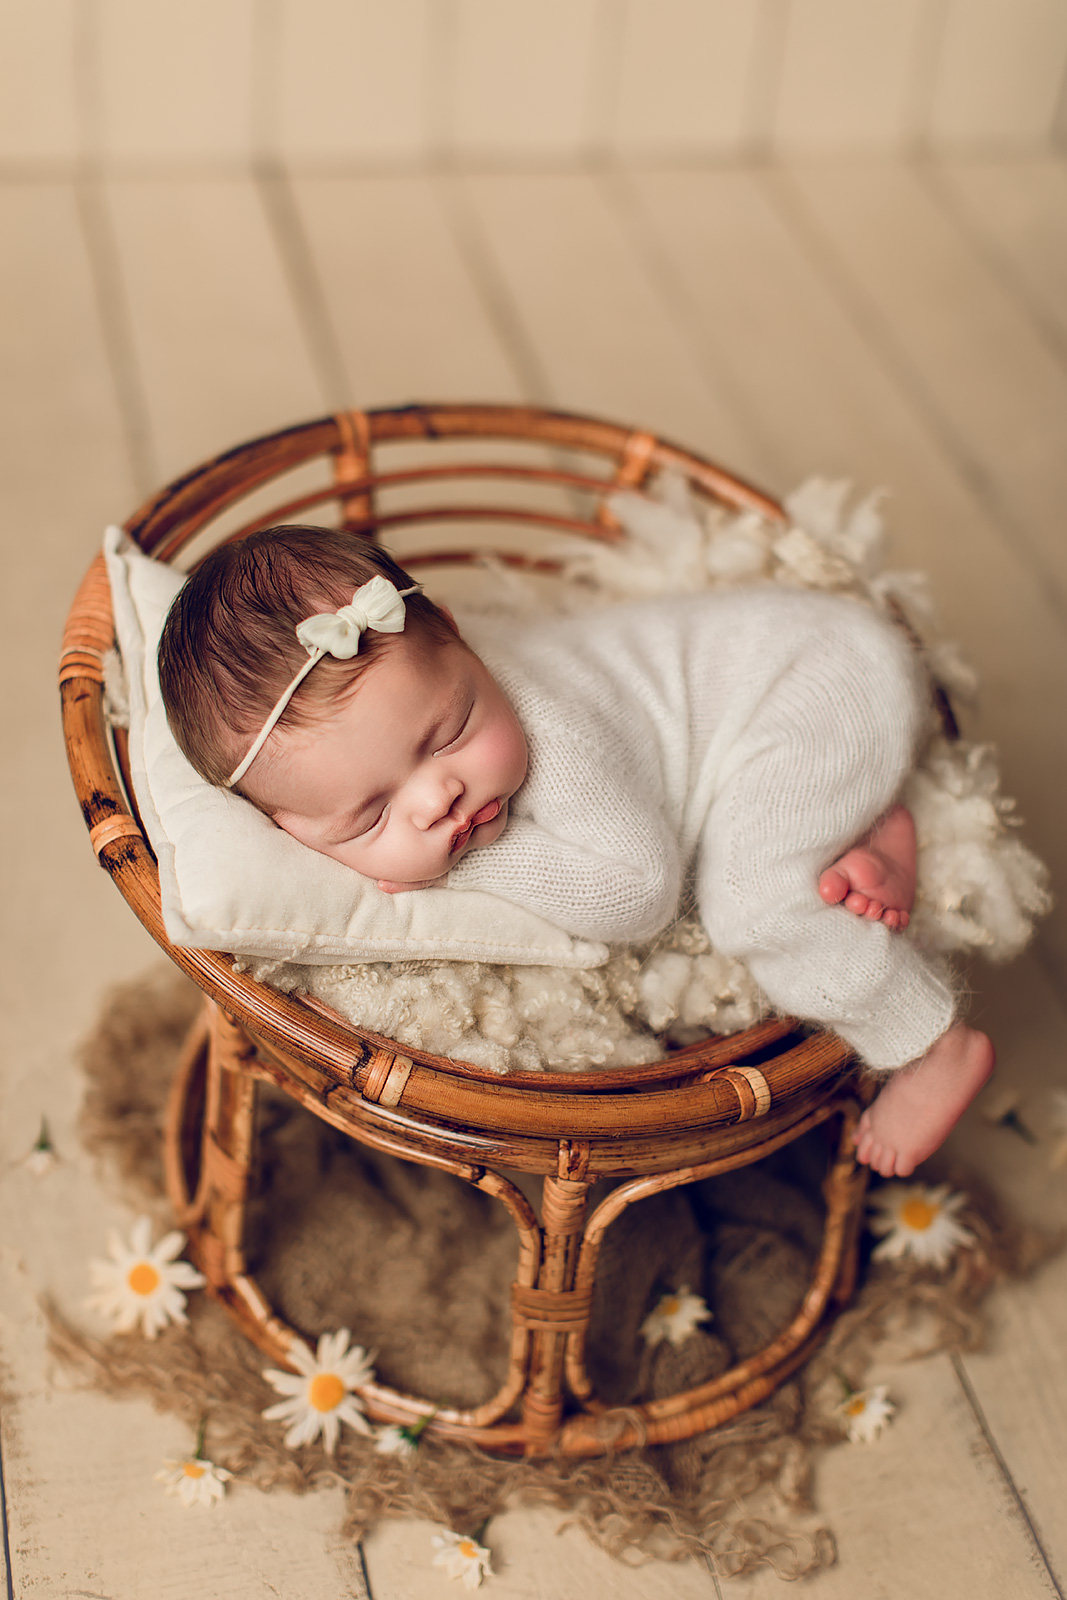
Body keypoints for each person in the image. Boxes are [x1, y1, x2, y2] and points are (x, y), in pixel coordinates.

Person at [158, 524, 994, 1178]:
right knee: (768, 840)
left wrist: (470, 863)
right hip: (790, 713)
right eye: (371, 813)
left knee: (751, 899)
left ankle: (930, 1042)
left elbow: (638, 893)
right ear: (288, 833)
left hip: (815, 682)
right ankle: (867, 821)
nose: (437, 796)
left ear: (457, 639)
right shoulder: (430, 695)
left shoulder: (547, 725)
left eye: (449, 732)